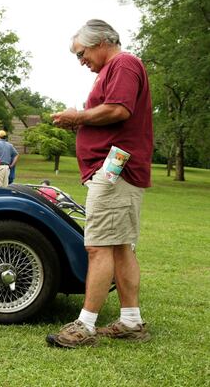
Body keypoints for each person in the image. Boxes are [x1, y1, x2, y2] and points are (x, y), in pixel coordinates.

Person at [46, 19, 153, 348]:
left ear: (102, 41)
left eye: (81, 53)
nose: (81, 61)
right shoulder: (115, 68)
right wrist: (80, 123)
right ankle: (131, 321)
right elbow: (111, 113)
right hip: (116, 166)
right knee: (119, 245)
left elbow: (119, 110)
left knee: (98, 246)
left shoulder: (123, 63)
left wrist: (78, 116)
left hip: (115, 166)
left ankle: (86, 325)